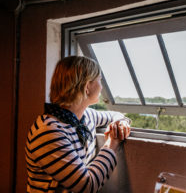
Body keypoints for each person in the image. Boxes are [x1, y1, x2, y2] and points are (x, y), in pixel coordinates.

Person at [25, 56, 131, 193]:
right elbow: (87, 186)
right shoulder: (48, 132)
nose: (102, 86)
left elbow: (116, 115)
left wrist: (120, 123)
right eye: (99, 80)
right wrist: (112, 144)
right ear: (87, 87)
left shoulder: (86, 116)